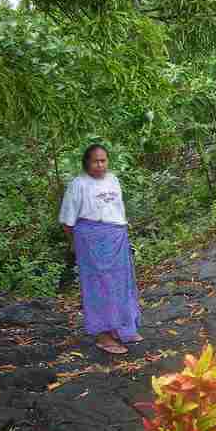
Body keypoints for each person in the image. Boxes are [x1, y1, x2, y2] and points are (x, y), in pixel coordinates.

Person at [58, 143, 142, 355]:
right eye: (95, 161)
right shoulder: (78, 184)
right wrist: (77, 244)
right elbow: (67, 221)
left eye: (103, 160)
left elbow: (119, 210)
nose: (100, 165)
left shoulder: (113, 180)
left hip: (116, 237)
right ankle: (103, 335)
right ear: (86, 162)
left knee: (121, 282)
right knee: (98, 286)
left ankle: (122, 328)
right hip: (91, 239)